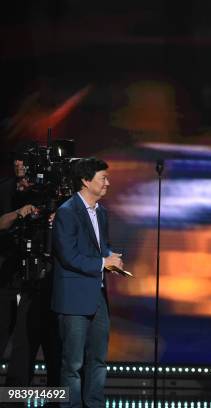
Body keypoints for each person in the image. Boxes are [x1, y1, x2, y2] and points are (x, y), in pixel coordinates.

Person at [52, 157, 123, 408]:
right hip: (73, 298)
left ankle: (94, 404)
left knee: (98, 360)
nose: (108, 183)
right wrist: (103, 263)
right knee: (72, 364)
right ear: (85, 180)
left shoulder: (101, 212)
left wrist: (112, 259)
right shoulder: (67, 212)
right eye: (103, 178)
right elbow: (68, 255)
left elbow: (100, 248)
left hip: (97, 296)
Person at [0, 154, 61, 388]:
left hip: (42, 282)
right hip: (9, 278)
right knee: (20, 349)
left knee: (53, 349)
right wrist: (19, 213)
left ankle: (56, 399)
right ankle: (13, 398)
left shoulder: (50, 194)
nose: (23, 183)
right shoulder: (6, 190)